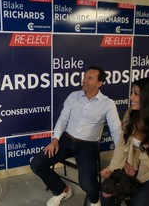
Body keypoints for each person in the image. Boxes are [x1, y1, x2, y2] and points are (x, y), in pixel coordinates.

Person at [30, 66, 122, 206]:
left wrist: (120, 155)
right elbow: (62, 119)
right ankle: (62, 190)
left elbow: (115, 129)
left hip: (88, 146)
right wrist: (55, 140)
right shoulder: (74, 96)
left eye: (89, 78)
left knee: (87, 184)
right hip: (66, 140)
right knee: (37, 163)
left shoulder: (108, 104)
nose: (85, 80)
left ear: (99, 83)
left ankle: (95, 201)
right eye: (85, 77)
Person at [100, 77, 149, 206]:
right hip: (131, 166)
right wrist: (115, 166)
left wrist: (137, 181)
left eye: (136, 94)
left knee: (138, 202)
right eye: (131, 93)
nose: (131, 97)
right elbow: (122, 144)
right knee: (106, 194)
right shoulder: (130, 113)